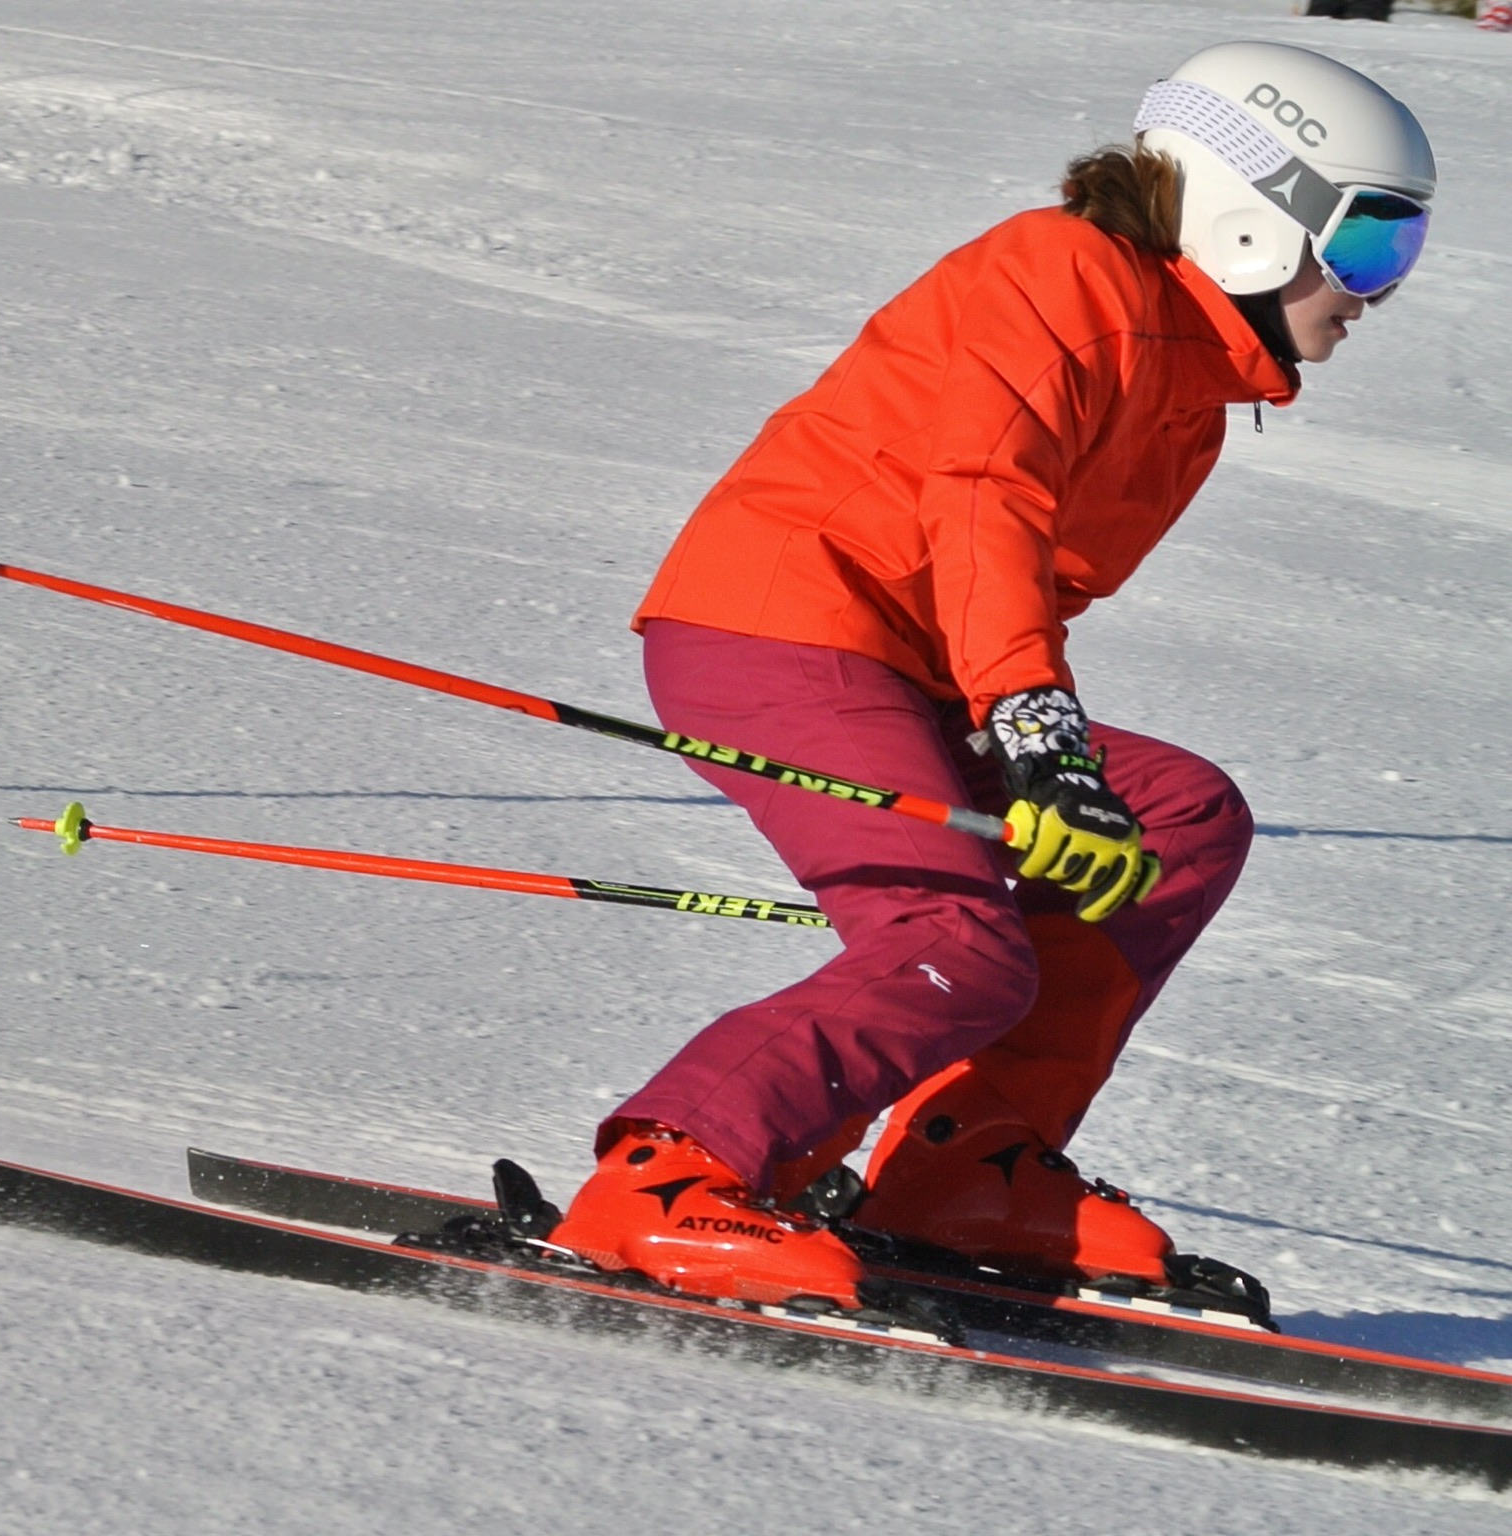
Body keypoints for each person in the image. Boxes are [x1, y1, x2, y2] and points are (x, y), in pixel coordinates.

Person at [548, 42, 1437, 1313]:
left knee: (1175, 815)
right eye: (1368, 244)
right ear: (1249, 219)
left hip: (909, 670)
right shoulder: (1060, 276)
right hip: (780, 627)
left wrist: (1038, 751)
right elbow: (983, 507)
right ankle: (666, 1175)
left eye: (1401, 256)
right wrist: (1037, 738)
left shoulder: (1185, 390)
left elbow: (1034, 580)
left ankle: (961, 1162)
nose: (1376, 292)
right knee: (952, 944)